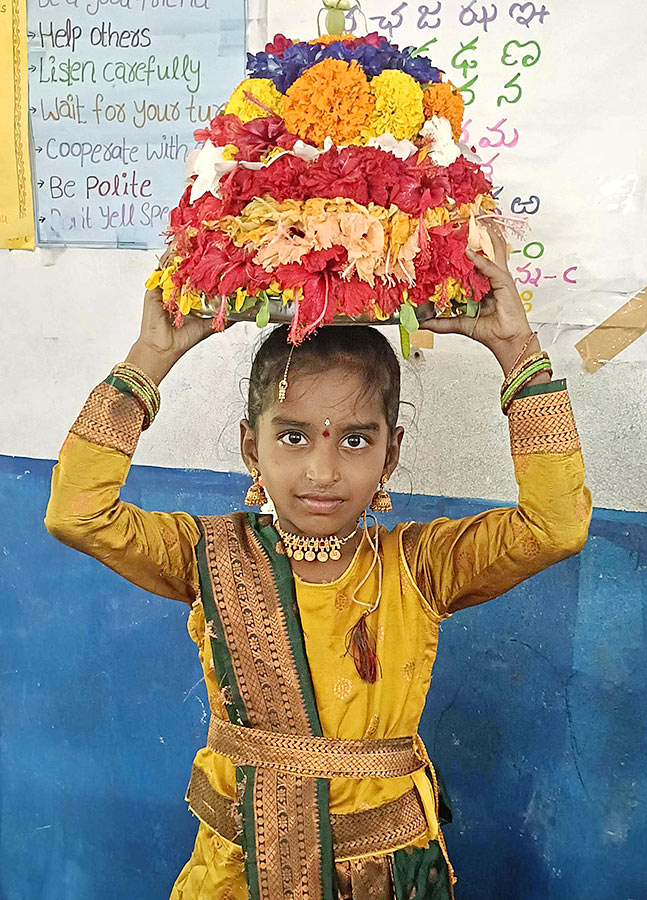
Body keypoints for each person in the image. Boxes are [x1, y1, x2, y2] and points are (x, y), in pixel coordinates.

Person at [44, 220, 592, 900]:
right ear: (252, 448)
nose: (322, 470)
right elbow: (77, 512)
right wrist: (146, 361)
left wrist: (518, 351)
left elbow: (556, 525)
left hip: (382, 879)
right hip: (236, 879)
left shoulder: (420, 568)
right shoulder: (206, 556)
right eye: (294, 437)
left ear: (390, 454)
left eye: (356, 441)